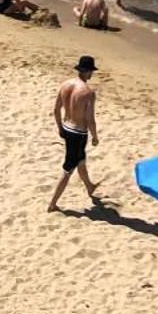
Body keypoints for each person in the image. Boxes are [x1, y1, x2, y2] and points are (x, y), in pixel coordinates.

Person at [48, 55, 100, 211]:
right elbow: (90, 119)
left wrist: (60, 128)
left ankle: (89, 186)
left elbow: (56, 109)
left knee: (81, 159)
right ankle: (52, 204)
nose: (92, 74)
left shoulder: (65, 85)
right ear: (88, 71)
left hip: (67, 128)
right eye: (91, 71)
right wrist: (95, 136)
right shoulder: (88, 92)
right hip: (78, 133)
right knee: (68, 169)